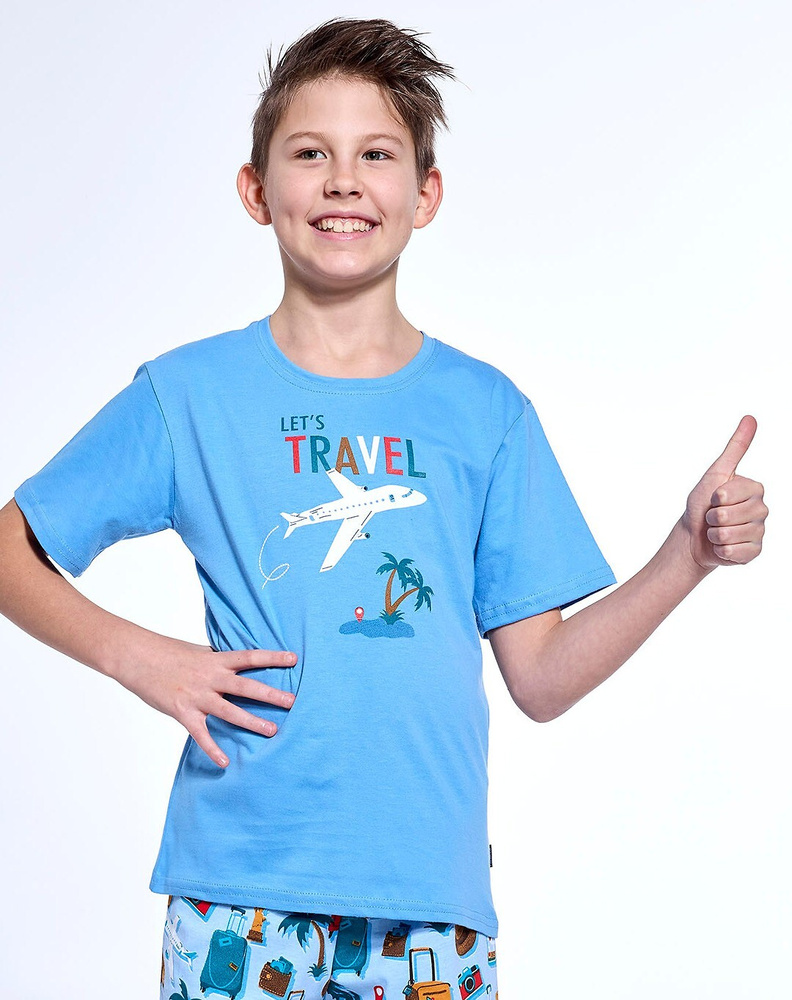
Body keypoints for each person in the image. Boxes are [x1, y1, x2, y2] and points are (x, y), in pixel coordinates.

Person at [0, 17, 767, 1000]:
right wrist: (139, 657)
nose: (343, 181)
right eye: (309, 154)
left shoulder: (485, 412)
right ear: (256, 190)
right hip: (240, 893)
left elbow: (542, 679)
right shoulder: (189, 396)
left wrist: (685, 556)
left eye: (376, 154)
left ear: (425, 193)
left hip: (430, 909)